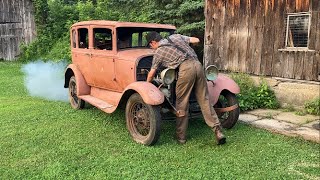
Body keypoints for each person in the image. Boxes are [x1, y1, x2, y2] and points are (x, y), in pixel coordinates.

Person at [145, 31, 226, 145]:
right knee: (205, 100)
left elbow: (152, 73)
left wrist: (147, 85)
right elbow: (196, 40)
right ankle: (218, 131)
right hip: (198, 66)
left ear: (153, 42)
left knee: (182, 102)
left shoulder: (159, 51)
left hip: (186, 70)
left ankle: (181, 137)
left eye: (150, 45)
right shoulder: (176, 37)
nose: (151, 48)